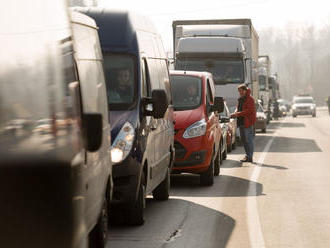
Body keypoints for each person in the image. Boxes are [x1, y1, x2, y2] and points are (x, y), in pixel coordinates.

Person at [230, 84, 256, 163]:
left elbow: (249, 111)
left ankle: (250, 156)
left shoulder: (250, 99)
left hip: (247, 122)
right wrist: (234, 113)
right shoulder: (241, 99)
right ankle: (247, 155)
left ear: (245, 90)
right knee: (243, 140)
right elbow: (238, 108)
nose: (240, 92)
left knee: (249, 140)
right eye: (239, 91)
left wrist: (237, 114)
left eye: (241, 91)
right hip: (241, 122)